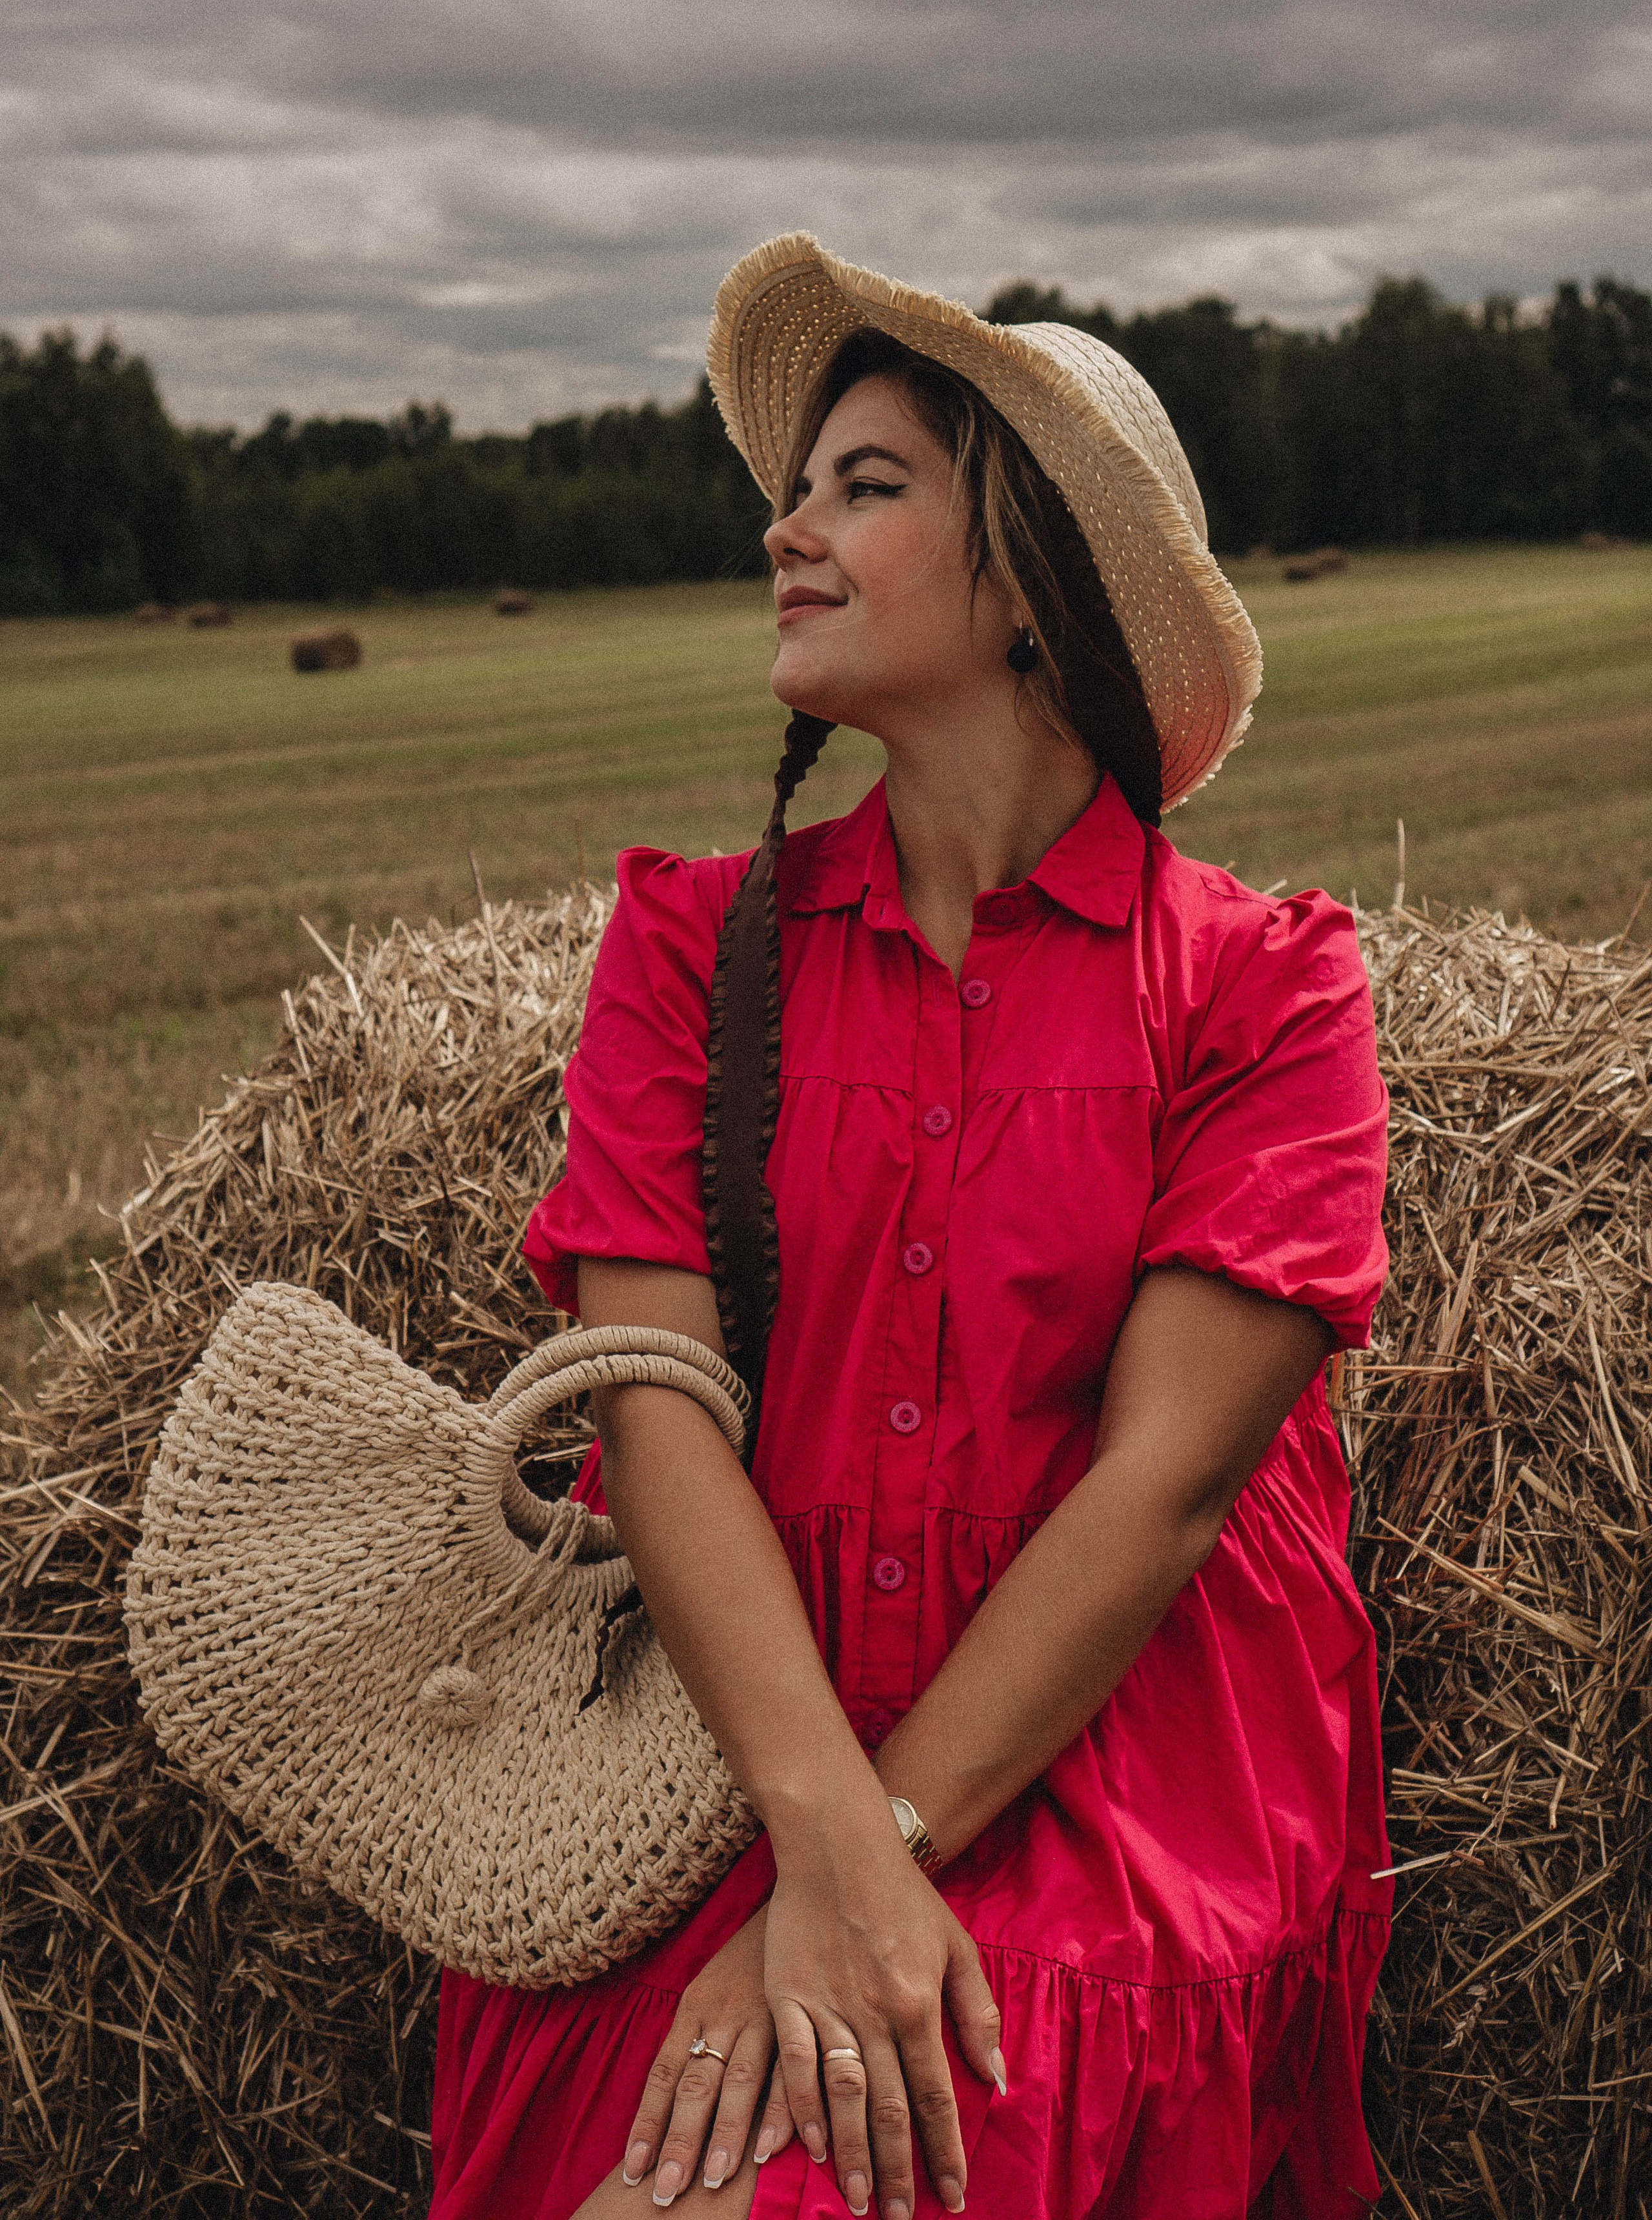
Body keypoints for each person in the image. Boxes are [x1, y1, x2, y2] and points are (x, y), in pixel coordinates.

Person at [428, 235, 1391, 2220]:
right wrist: (821, 1843)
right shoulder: (689, 949)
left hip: (1112, 1775)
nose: (785, 528)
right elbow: (653, 1416)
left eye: (863, 487)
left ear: (1032, 577)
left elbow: (1163, 1494)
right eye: (797, 487)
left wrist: (872, 1863)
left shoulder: (1266, 988)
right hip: (739, 1738)